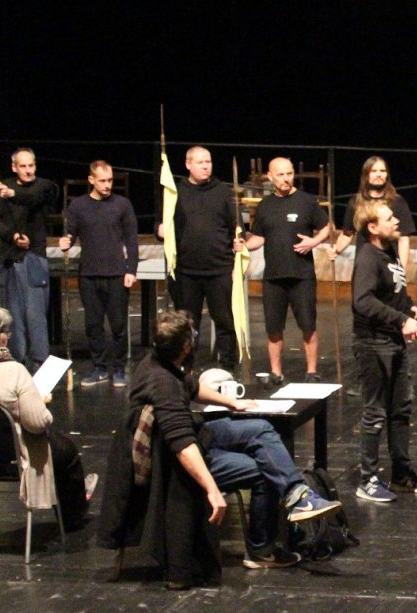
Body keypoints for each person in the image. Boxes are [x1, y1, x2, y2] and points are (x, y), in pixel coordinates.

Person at [130, 309, 343, 569]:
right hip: (172, 461)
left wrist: (232, 403)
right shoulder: (163, 385)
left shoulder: (157, 361)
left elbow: (191, 386)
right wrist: (212, 489)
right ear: (185, 346)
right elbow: (183, 446)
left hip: (194, 434)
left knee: (260, 429)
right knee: (264, 470)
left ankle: (297, 495)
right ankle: (262, 550)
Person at [351, 199, 417, 502]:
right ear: (373, 227)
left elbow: (393, 289)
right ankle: (367, 479)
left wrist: (407, 306)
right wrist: (400, 319)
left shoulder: (390, 250)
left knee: (400, 410)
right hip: (373, 343)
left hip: (393, 340)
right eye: (389, 218)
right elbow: (363, 300)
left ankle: (401, 475)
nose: (397, 221)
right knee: (375, 412)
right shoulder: (368, 257)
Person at [0, 307, 97, 531]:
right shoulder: (15, 372)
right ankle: (73, 517)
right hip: (14, 455)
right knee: (67, 451)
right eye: (6, 332)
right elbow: (37, 424)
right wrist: (40, 402)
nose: (8, 337)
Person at [328, 156, 417, 398]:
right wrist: (337, 249)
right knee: (366, 315)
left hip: (390, 267)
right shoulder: (357, 202)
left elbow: (404, 238)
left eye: (383, 170)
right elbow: (347, 233)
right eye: (374, 171)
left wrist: (401, 269)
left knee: (394, 315)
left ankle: (399, 375)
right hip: (368, 268)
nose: (379, 175)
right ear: (366, 174)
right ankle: (367, 376)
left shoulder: (396, 202)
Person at [241, 157, 330, 384]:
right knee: (273, 328)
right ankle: (276, 372)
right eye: (281, 175)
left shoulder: (306, 201)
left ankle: (311, 371)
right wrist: (243, 246)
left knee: (308, 325)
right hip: (273, 277)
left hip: (301, 276)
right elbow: (259, 237)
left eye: (289, 174)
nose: (286, 179)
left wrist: (313, 241)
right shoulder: (265, 205)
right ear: (270, 177)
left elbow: (326, 227)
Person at [159, 146, 239, 372]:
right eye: (200, 162)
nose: (206, 166)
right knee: (187, 324)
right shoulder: (176, 191)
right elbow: (163, 222)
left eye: (208, 162)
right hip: (186, 270)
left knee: (224, 321)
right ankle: (186, 367)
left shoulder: (222, 191)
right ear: (188, 164)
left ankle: (228, 368)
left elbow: (235, 225)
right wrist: (160, 230)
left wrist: (239, 243)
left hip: (219, 268)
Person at [59, 160, 139, 388]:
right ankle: (100, 368)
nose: (107, 185)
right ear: (91, 180)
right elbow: (70, 233)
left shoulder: (122, 204)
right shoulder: (78, 206)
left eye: (110, 180)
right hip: (89, 274)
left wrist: (131, 270)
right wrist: (66, 241)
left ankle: (119, 368)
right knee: (93, 325)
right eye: (102, 181)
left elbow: (131, 240)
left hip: (116, 273)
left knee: (118, 325)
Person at [0, 148, 59, 371]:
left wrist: (12, 194)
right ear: (14, 167)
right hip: (10, 258)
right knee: (13, 316)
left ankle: (41, 365)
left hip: (34, 258)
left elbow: (32, 198)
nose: (28, 170)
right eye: (23, 166)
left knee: (36, 315)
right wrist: (13, 237)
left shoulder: (44, 186)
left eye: (31, 165)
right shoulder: (4, 187)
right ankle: (16, 364)